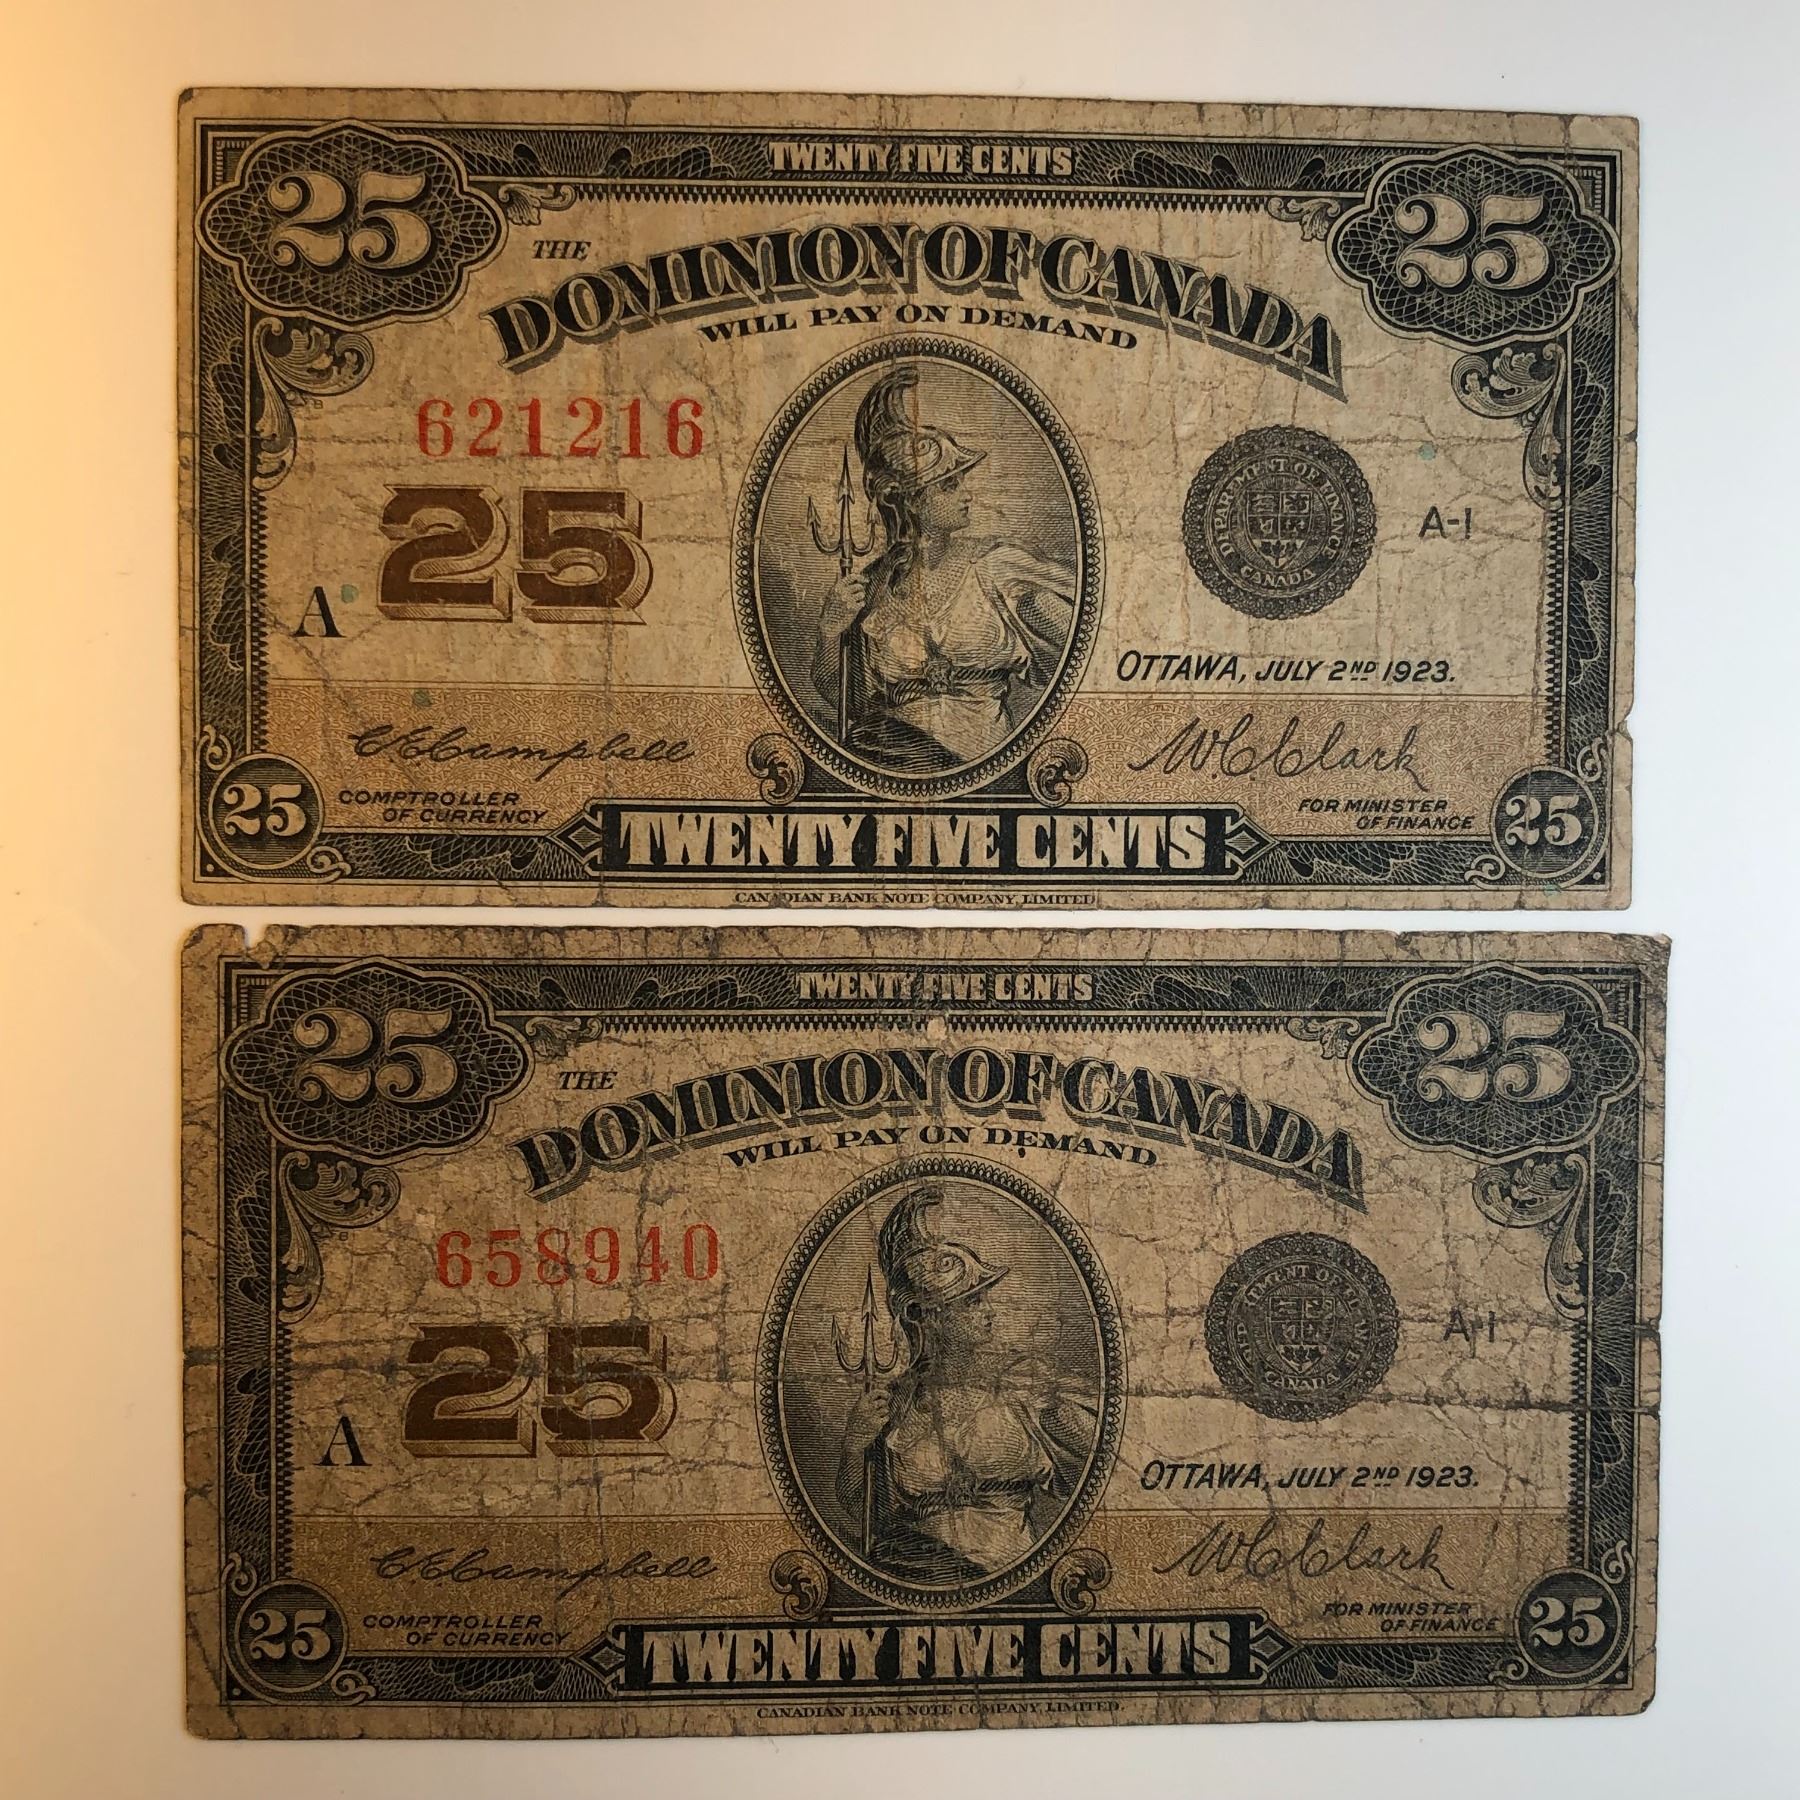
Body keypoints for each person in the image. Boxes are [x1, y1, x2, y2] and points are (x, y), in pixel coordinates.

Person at [812, 366, 1078, 772]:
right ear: (909, 500)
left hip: (980, 762)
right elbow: (845, 697)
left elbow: (1084, 635)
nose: (966, 495)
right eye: (949, 485)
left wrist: (1040, 611)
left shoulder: (997, 566)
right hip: (892, 757)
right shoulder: (870, 586)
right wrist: (831, 629)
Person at [836, 1187, 1099, 1583]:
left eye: (984, 1298)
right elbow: (862, 1508)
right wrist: (854, 1445)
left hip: (1009, 1578)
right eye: (972, 1302)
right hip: (919, 1579)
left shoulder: (1023, 1381)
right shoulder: (893, 1403)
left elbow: (1096, 1468)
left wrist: (1055, 1409)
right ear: (928, 1316)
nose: (989, 1312)